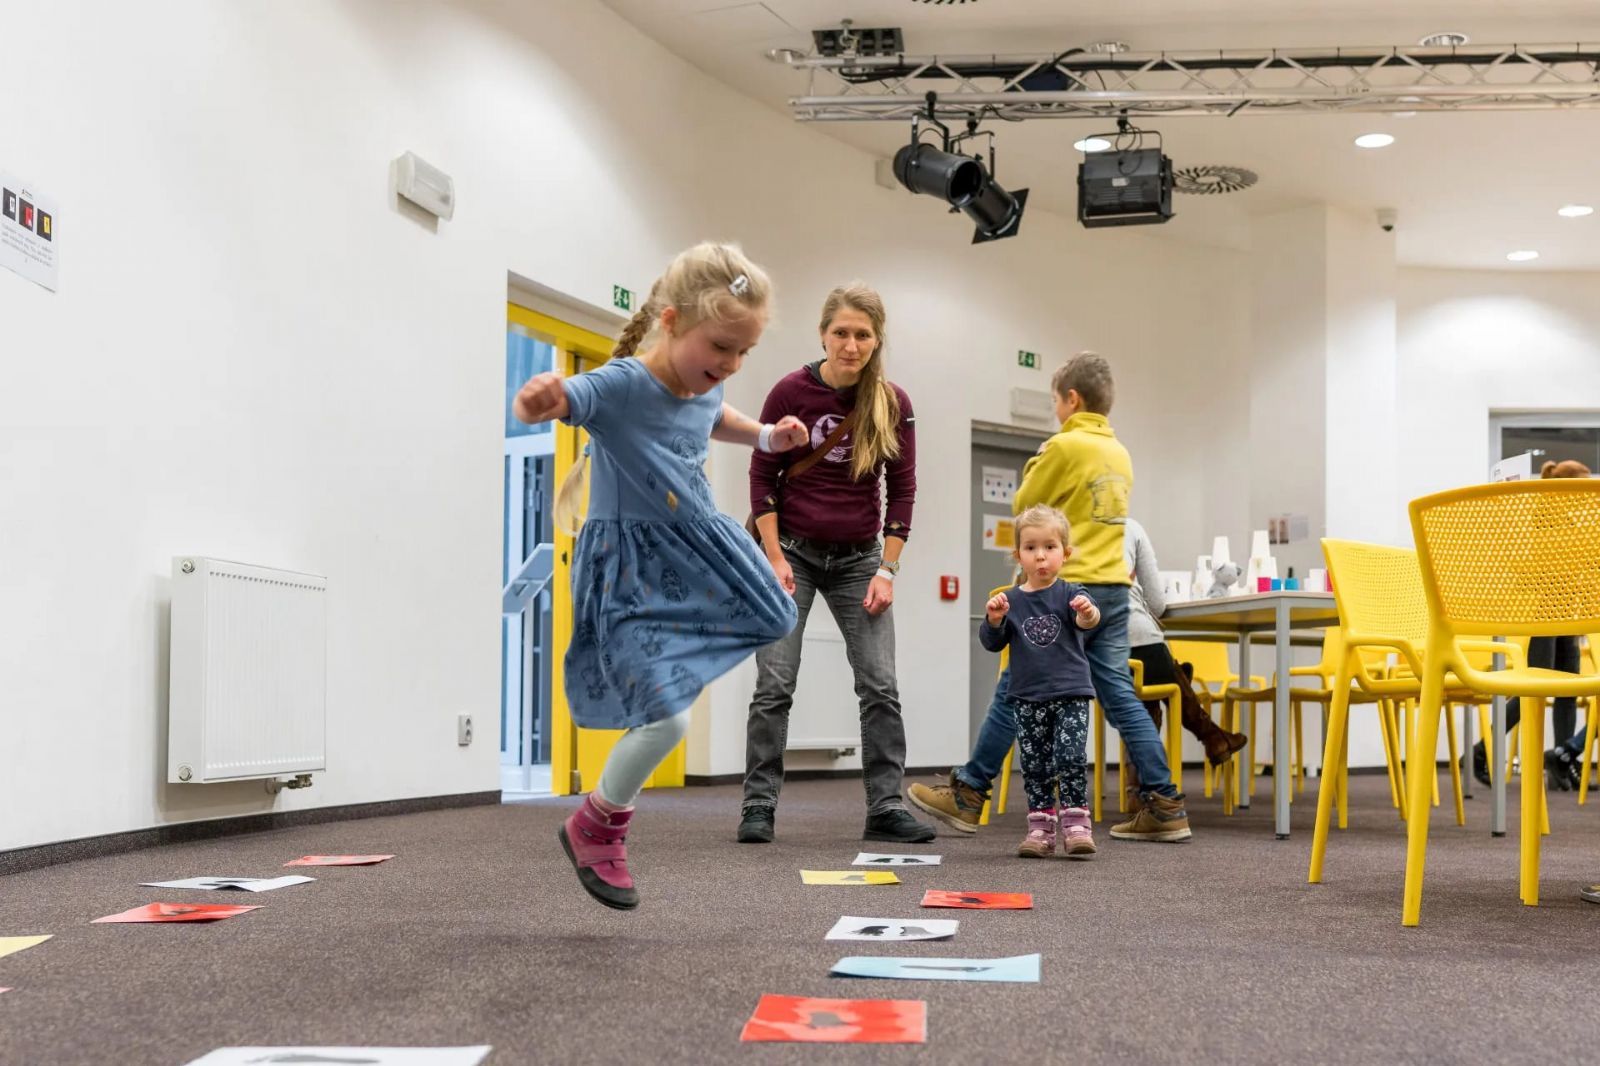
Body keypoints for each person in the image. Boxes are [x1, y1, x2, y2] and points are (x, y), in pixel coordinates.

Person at [512, 242, 806, 910]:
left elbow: (713, 415)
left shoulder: (706, 382)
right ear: (671, 320)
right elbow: (568, 401)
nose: (729, 366)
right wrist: (540, 402)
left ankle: (665, 665)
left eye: (742, 354)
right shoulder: (622, 386)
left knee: (778, 613)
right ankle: (598, 825)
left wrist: (765, 436)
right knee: (668, 725)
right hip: (629, 570)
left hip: (692, 544)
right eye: (721, 348)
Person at [909, 352, 1191, 842]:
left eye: (1056, 402)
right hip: (1113, 593)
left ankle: (970, 792)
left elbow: (1027, 506)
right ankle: (1164, 802)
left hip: (1065, 594)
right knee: (1122, 697)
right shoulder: (1120, 453)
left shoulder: (1063, 446)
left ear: (1072, 399)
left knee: (1014, 687)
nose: (1055, 411)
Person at [739, 282, 934, 845]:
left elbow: (902, 490)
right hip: (792, 552)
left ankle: (886, 805)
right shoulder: (789, 392)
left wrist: (887, 569)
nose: (851, 345)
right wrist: (773, 557)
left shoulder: (892, 403)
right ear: (823, 334)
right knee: (774, 683)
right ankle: (758, 805)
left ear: (877, 341)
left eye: (863, 335)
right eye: (842, 333)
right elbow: (762, 478)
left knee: (880, 685)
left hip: (858, 561)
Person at [979, 505, 1102, 858]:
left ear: (1066, 553)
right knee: (1034, 764)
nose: (1041, 556)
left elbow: (1089, 623)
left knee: (1070, 757)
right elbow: (992, 643)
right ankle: (1040, 828)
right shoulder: (1011, 600)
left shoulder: (1071, 594)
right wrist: (994, 618)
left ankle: (1076, 824)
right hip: (1027, 697)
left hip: (1071, 694)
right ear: (1018, 555)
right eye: (1031, 548)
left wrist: (1088, 613)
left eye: (1049, 547)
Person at [1463, 458, 1591, 790]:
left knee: (1567, 689)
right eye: (1582, 486)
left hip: (1567, 614)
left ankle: (1562, 762)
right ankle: (1482, 749)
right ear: (1565, 488)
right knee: (1535, 689)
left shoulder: (1570, 522)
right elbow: (1534, 572)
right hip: (1544, 615)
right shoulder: (1541, 520)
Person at [1123, 515, 1248, 808]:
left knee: (1150, 693)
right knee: (1161, 679)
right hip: (1139, 643)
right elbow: (1157, 604)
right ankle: (1212, 737)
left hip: (1087, 655)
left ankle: (1137, 791)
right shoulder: (1130, 528)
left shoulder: (1058, 534)